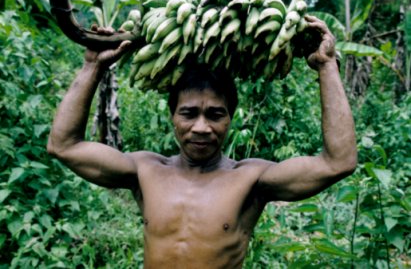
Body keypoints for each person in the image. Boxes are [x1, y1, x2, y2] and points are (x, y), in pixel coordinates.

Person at [47, 15, 357, 268]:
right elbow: (64, 146)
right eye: (189, 113)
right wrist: (93, 66)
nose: (201, 127)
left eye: (215, 114)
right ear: (172, 116)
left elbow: (338, 162)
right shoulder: (144, 170)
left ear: (230, 119)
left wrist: (327, 66)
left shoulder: (252, 180)